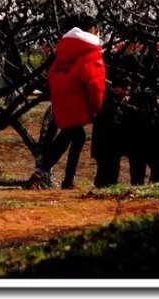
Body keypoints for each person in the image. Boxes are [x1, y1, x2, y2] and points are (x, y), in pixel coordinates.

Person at [26, 15, 106, 190]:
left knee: (78, 136)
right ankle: (41, 173)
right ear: (91, 28)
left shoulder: (65, 48)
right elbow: (94, 83)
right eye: (97, 29)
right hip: (77, 99)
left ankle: (67, 179)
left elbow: (52, 72)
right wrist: (96, 108)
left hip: (62, 97)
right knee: (68, 136)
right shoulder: (90, 51)